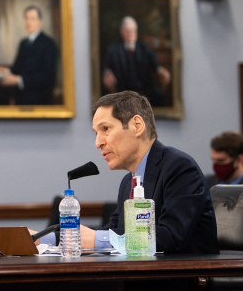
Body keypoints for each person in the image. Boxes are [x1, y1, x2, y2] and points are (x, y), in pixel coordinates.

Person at [81, 90, 219, 254]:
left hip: (182, 276)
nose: (98, 143)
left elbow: (171, 236)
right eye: (96, 133)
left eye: (106, 128)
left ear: (137, 126)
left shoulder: (180, 168)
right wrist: (50, 238)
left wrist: (99, 238)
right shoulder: (128, 182)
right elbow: (114, 230)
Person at [0, 5, 58, 105]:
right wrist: (5, 70)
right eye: (26, 18)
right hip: (20, 94)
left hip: (37, 97)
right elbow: (17, 68)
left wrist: (19, 81)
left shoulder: (48, 43)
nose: (28, 22)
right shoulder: (23, 43)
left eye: (32, 19)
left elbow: (47, 77)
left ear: (39, 22)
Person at [102, 16, 171, 107]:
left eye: (133, 30)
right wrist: (107, 73)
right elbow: (106, 67)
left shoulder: (144, 47)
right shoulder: (113, 49)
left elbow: (154, 65)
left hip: (144, 89)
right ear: (122, 32)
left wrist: (160, 69)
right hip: (123, 90)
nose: (131, 33)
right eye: (128, 30)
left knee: (159, 98)